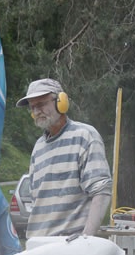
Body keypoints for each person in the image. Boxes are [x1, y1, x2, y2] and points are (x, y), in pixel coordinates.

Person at [16, 78, 112, 238]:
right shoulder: (38, 147)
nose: (37, 111)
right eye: (33, 107)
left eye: (41, 104)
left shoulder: (84, 136)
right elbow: (37, 200)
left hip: (69, 245)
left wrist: (86, 238)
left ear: (61, 102)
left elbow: (101, 191)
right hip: (38, 243)